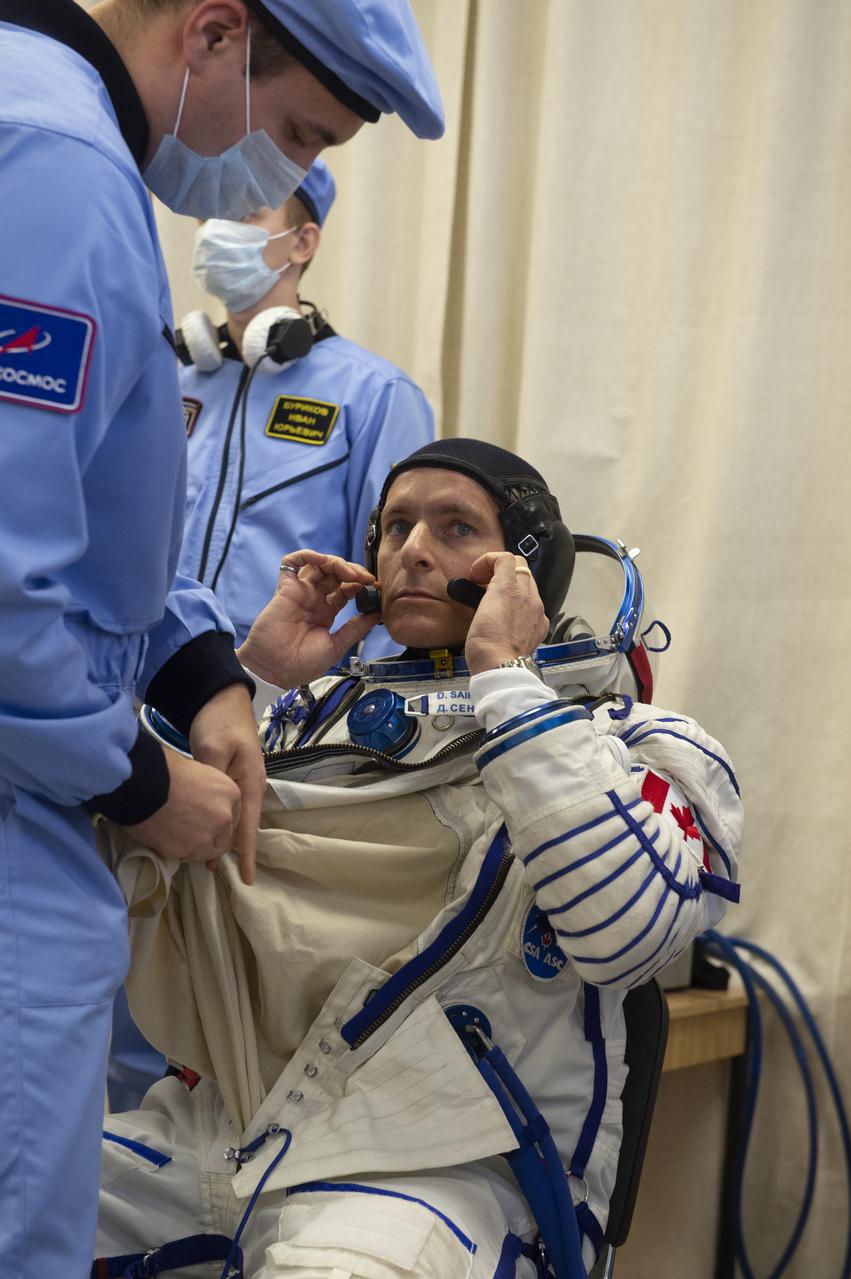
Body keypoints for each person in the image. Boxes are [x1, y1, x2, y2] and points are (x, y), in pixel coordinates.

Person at [0, 2, 443, 1275]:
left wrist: (202, 671)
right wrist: (137, 782)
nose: (259, 191)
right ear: (211, 35)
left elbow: (102, 524)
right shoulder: (62, 172)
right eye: (295, 131)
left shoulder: (52, 138)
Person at [94, 439, 743, 1278]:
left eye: (454, 526)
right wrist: (252, 678)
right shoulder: (300, 721)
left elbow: (626, 929)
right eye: (395, 526)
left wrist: (506, 681)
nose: (413, 549)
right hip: (220, 1130)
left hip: (438, 1163)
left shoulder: (628, 742)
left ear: (528, 564)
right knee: (24, 1195)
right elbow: (154, 842)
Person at [179, 158, 435, 656]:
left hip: (288, 693)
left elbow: (398, 571)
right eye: (211, 214)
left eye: (247, 214)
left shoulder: (375, 392)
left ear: (301, 242)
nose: (216, 230)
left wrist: (361, 713)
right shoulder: (174, 379)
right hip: (154, 679)